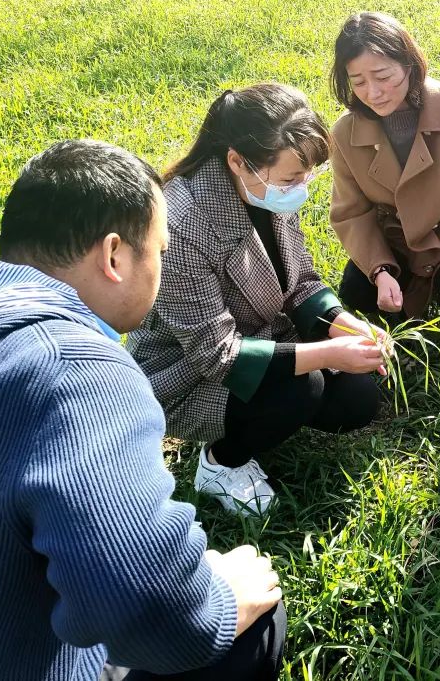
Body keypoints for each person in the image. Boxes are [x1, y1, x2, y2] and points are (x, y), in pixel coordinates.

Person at [0, 139, 286, 681]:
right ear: (113, 256)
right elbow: (163, 615)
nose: (162, 265)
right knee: (254, 623)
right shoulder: (77, 370)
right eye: (161, 252)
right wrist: (221, 600)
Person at [128, 84, 386, 518]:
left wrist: (340, 321)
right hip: (185, 370)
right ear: (236, 161)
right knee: (301, 386)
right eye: (292, 179)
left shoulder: (266, 185)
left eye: (307, 176)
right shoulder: (183, 225)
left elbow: (300, 280)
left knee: (357, 401)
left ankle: (270, 416)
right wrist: (325, 352)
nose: (301, 189)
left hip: (259, 330)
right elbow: (218, 355)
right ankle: (220, 463)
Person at [329, 11, 440, 318]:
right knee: (356, 292)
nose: (373, 92)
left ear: (409, 64)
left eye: (383, 77)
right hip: (394, 241)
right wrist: (380, 269)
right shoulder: (343, 133)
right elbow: (352, 212)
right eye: (358, 82)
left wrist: (436, 251)